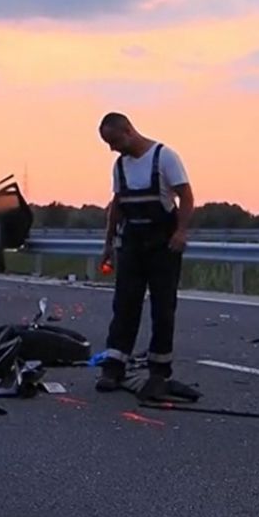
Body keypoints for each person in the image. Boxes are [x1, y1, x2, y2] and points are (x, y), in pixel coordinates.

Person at [95, 113, 195, 398]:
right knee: (124, 305)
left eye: (113, 141)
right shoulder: (120, 166)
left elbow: (186, 197)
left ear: (128, 131)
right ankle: (114, 366)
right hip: (132, 244)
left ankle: (159, 371)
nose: (112, 148)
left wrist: (181, 232)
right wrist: (108, 245)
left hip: (163, 246)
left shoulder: (164, 157)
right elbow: (117, 205)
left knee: (163, 308)